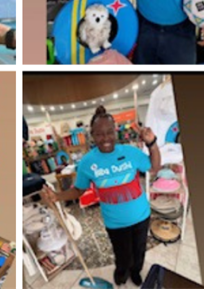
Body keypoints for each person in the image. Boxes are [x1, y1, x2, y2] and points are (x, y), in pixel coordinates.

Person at [42, 107, 160, 289]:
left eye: (109, 132)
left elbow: (154, 167)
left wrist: (152, 144)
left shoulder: (130, 152)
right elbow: (79, 191)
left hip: (141, 216)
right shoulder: (87, 162)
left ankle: (136, 272)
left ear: (115, 131)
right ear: (92, 136)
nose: (105, 139)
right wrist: (57, 196)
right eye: (99, 134)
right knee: (122, 254)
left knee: (139, 251)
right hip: (115, 222)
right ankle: (121, 274)